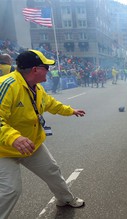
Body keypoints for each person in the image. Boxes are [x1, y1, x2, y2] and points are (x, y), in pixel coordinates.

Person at [0, 50, 86, 219]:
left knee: (52, 170)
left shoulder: (36, 88)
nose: (49, 70)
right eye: (46, 66)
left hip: (31, 143)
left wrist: (71, 111)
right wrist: (14, 138)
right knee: (11, 190)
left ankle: (65, 199)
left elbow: (51, 104)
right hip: (4, 150)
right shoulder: (7, 85)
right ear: (35, 69)